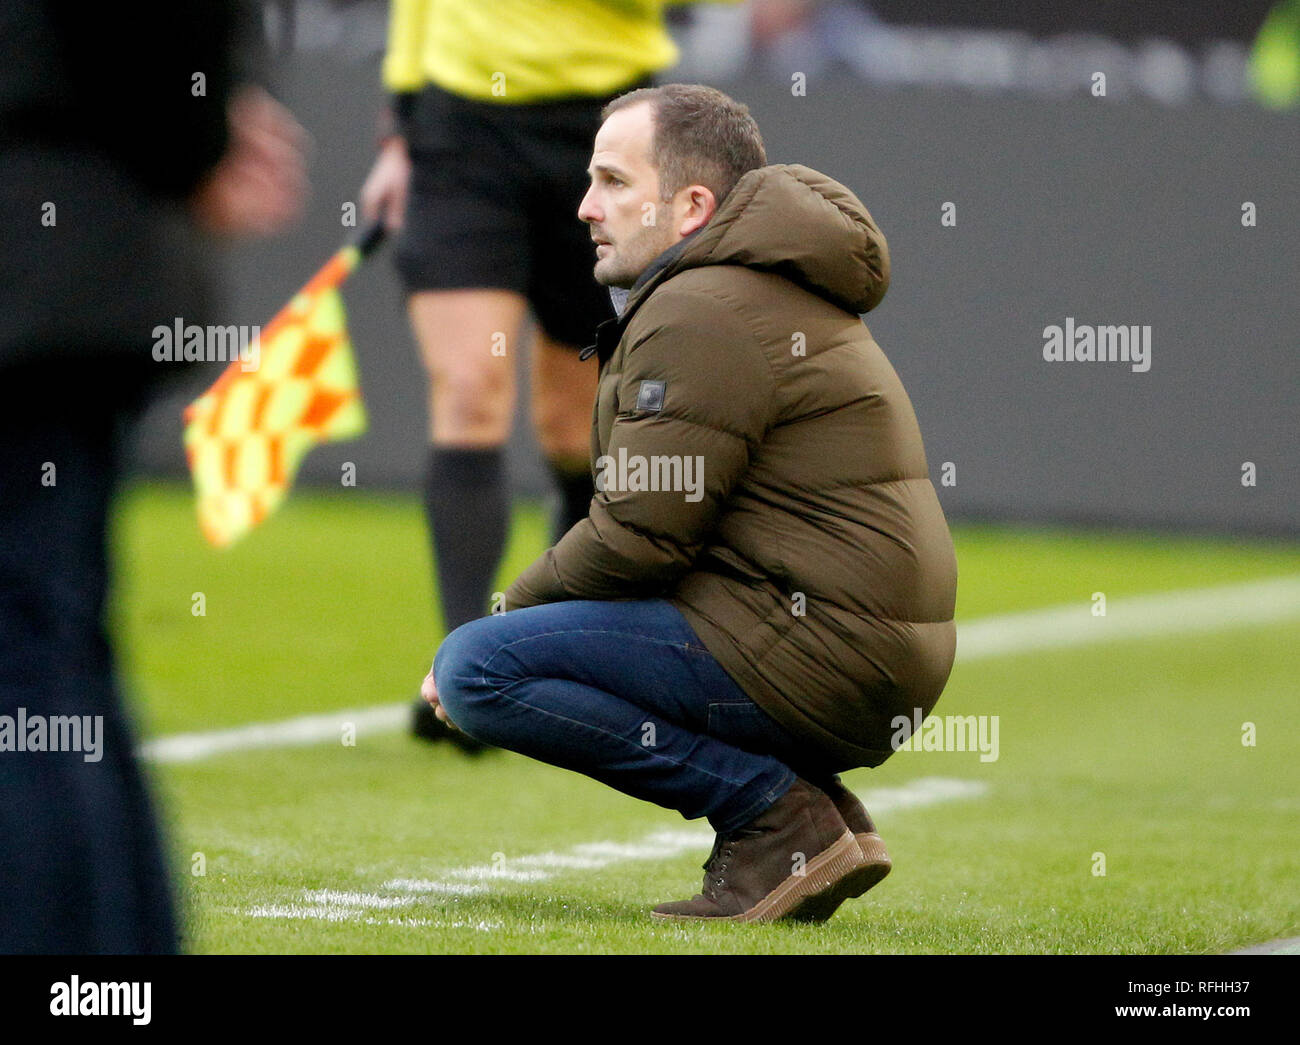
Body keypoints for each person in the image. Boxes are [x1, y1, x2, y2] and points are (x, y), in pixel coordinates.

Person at [421, 84, 958, 922]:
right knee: (512, 648)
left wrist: (501, 614)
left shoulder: (701, 310)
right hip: (858, 650)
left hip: (825, 647)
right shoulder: (741, 287)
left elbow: (637, 540)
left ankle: (775, 815)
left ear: (691, 206)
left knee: (479, 669)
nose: (586, 206)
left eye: (614, 182)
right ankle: (815, 813)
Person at [0, 2, 307, 952]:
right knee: (46, 663)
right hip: (53, 245)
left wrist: (189, 137)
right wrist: (194, 137)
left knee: (30, 668)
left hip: (35, 254)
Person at [358, 0, 741, 749]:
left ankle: (556, 654)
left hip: (607, 127)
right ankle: (462, 674)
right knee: (470, 389)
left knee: (576, 428)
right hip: (459, 126)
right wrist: (400, 131)